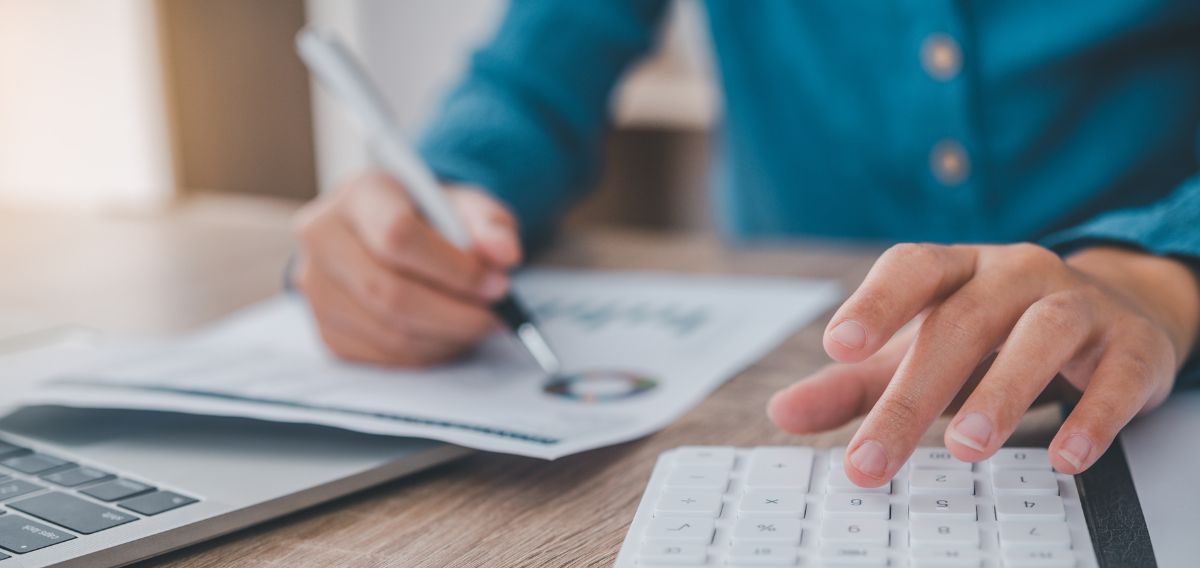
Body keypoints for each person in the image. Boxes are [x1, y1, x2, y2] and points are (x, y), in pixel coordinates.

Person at [293, 1, 1200, 487]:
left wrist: (1158, 268)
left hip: (1150, 385)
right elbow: (537, 71)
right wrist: (450, 194)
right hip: (780, 376)